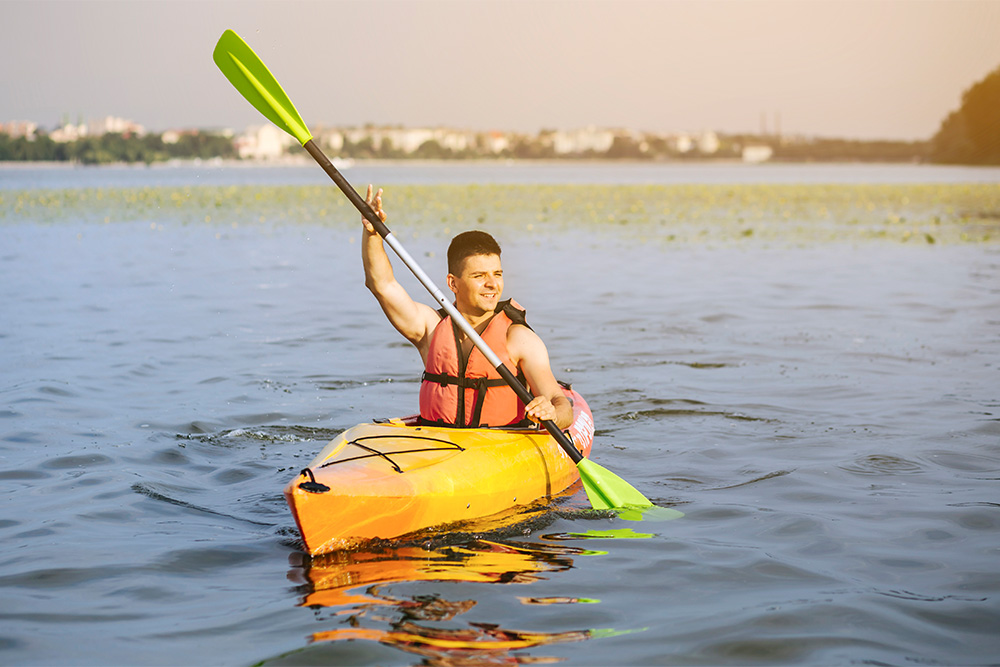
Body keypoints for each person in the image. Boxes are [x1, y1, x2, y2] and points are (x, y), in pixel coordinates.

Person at [360, 185, 573, 430]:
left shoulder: (519, 338)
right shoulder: (430, 328)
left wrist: (552, 413)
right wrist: (372, 234)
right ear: (453, 283)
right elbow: (382, 285)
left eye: (497, 274)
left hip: (502, 445)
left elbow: (561, 404)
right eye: (479, 276)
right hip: (441, 444)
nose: (492, 284)